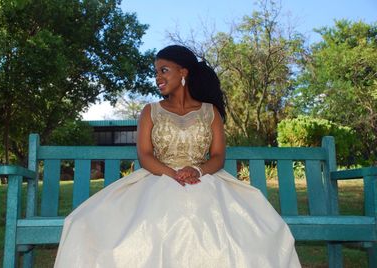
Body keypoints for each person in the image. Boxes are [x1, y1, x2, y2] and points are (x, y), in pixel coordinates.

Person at [54, 45, 301, 267]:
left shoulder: (210, 112)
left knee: (247, 237)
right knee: (88, 225)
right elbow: (145, 154)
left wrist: (197, 170)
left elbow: (217, 156)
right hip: (158, 177)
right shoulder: (150, 111)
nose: (158, 77)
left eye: (164, 70)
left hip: (203, 179)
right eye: (156, 72)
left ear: (183, 72)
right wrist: (173, 174)